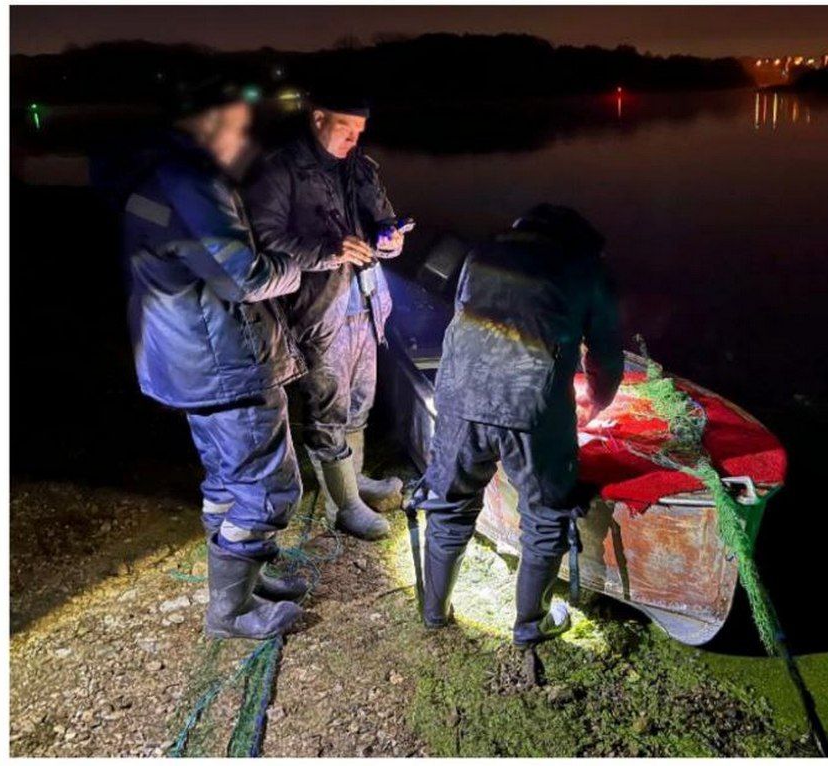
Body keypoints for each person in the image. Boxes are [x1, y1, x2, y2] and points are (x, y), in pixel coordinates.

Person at [121, 78, 351, 639]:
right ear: (202, 125)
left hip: (182, 358)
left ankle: (247, 582)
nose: (243, 139)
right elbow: (243, 276)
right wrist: (297, 268)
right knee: (269, 487)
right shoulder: (194, 184)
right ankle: (231, 612)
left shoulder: (152, 176)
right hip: (223, 362)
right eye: (234, 126)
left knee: (227, 480)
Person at [415, 205, 624, 647]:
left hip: (457, 395)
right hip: (532, 407)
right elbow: (605, 352)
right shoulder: (587, 270)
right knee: (546, 516)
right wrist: (597, 403)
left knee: (449, 503)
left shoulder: (482, 252)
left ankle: (434, 613)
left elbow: (465, 317)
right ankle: (531, 624)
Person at [245, 89, 407, 541]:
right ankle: (344, 504)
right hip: (319, 312)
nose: (355, 139)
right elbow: (265, 240)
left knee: (360, 401)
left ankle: (355, 481)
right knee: (327, 408)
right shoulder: (279, 171)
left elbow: (384, 221)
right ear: (317, 118)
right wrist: (328, 253)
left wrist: (391, 238)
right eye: (346, 128)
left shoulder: (362, 168)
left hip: (368, 303)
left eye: (360, 131)